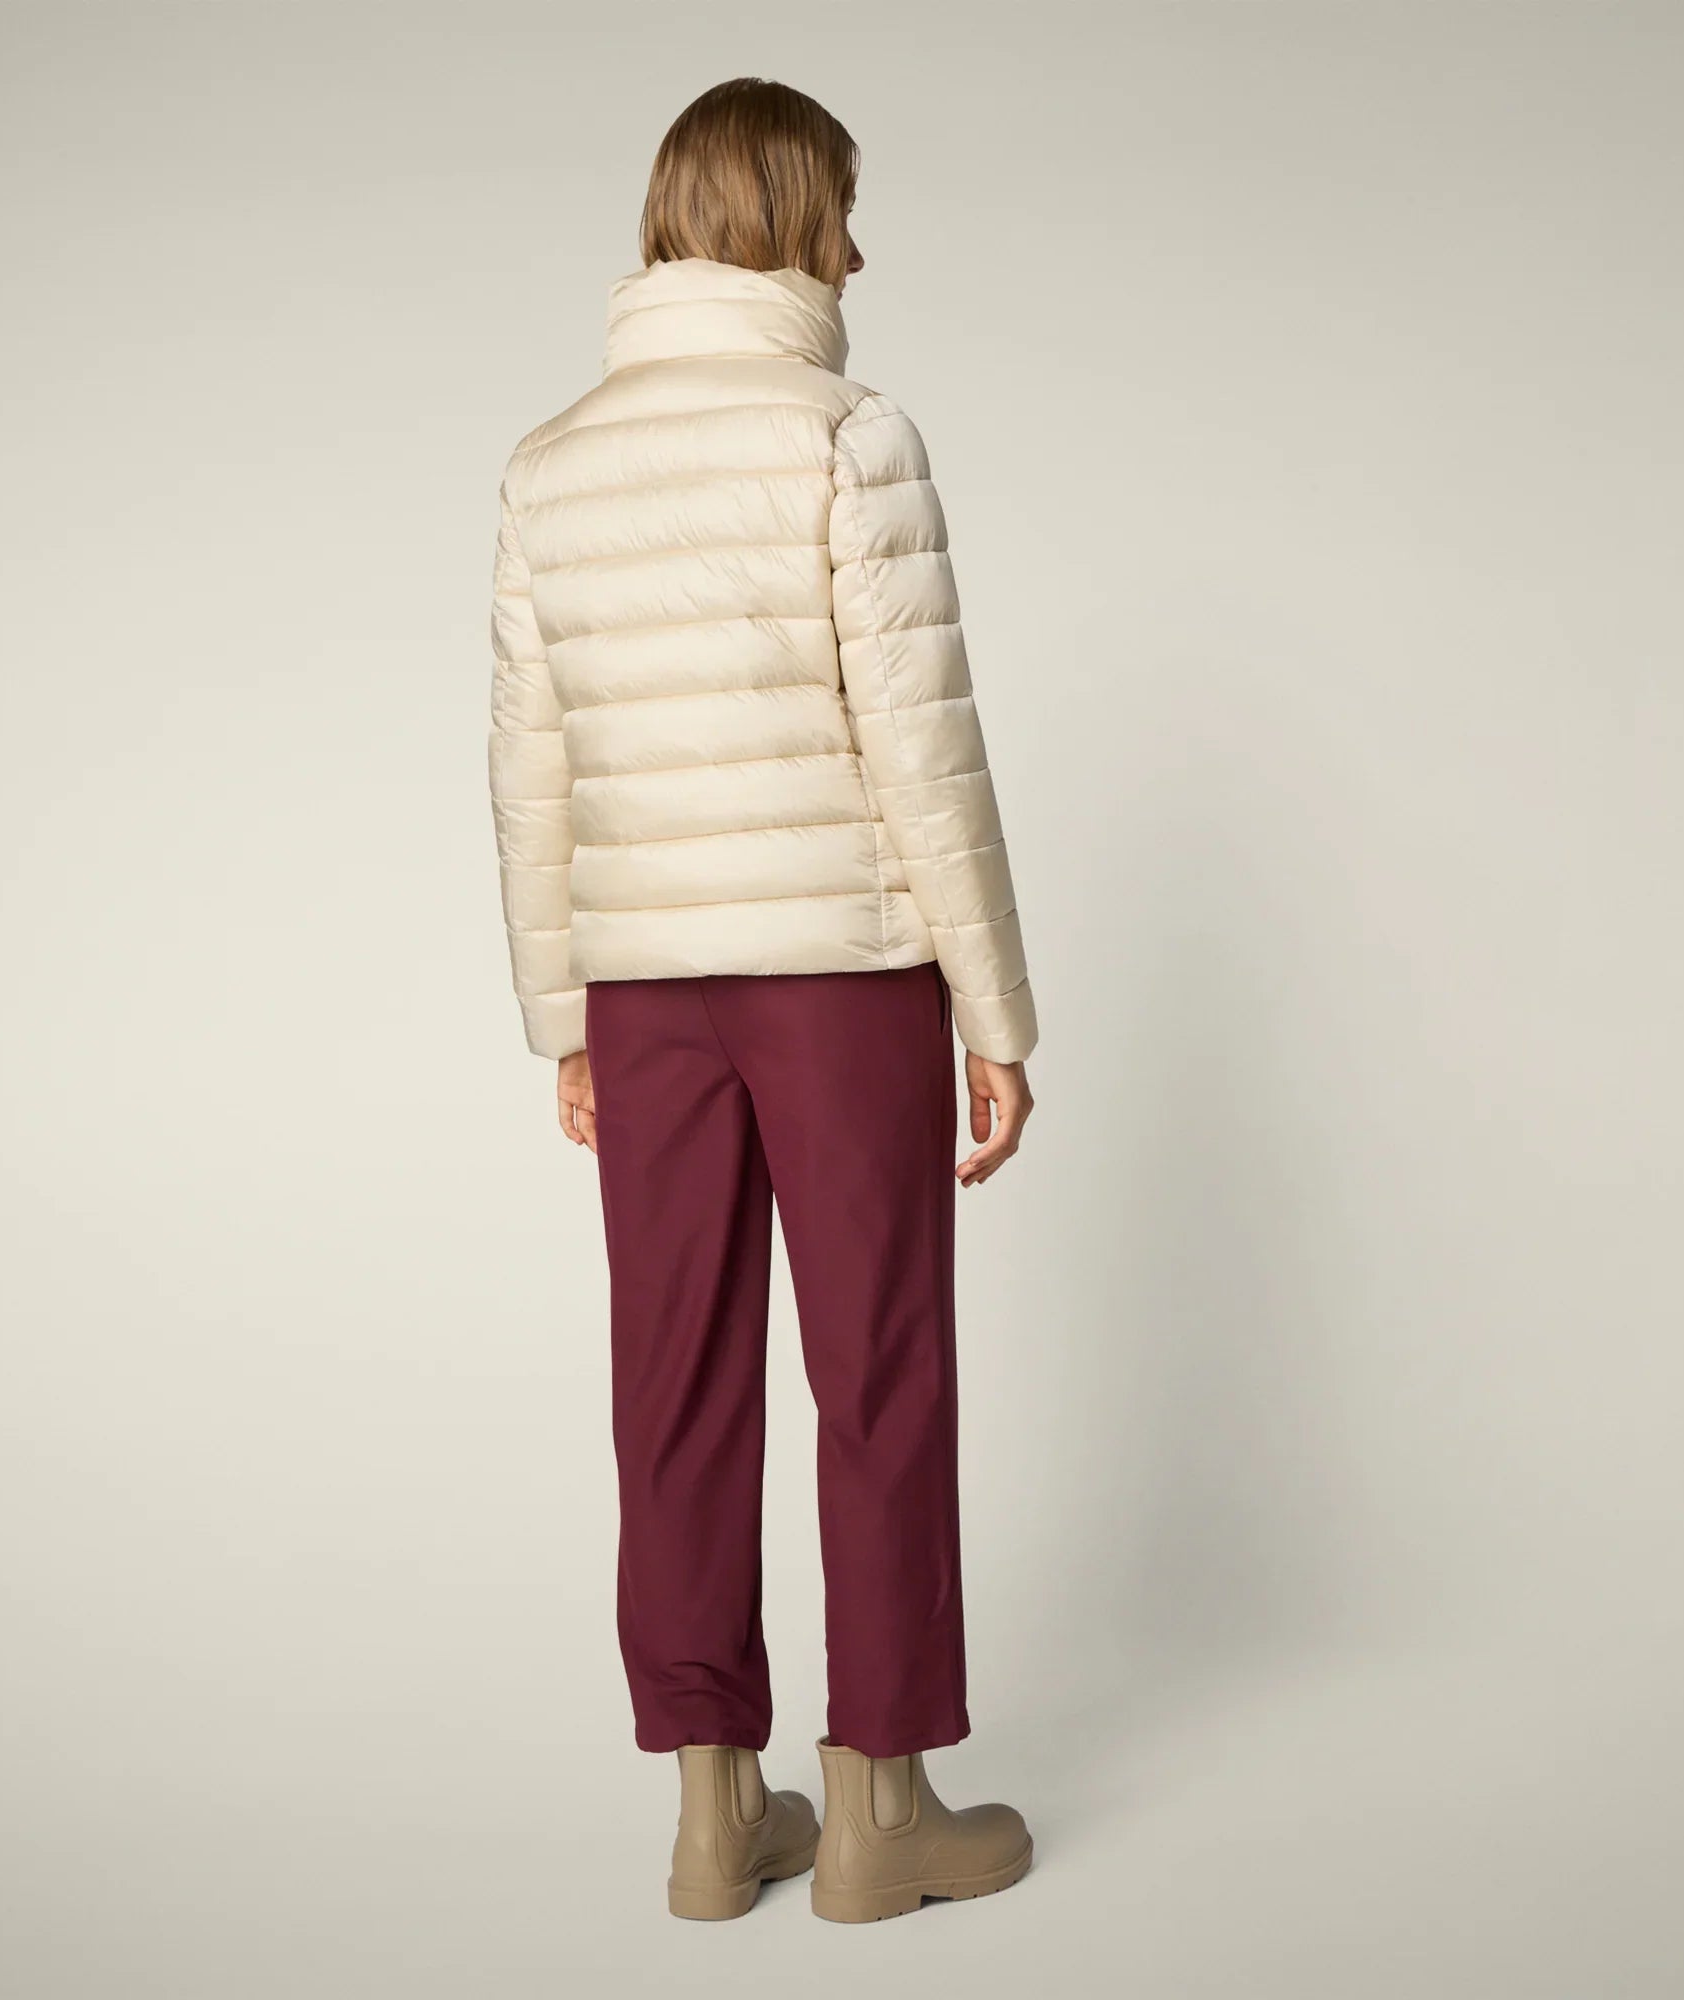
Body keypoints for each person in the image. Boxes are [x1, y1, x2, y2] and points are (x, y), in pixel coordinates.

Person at [486, 77, 1038, 1924]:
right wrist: (996, 1010)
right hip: (837, 973)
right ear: (796, 218)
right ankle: (879, 1813)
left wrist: (565, 1017)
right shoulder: (849, 435)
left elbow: (533, 765)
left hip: (646, 989)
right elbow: (923, 746)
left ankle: (713, 1822)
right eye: (843, 214)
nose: (858, 256)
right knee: (875, 1368)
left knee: (674, 1380)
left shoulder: (550, 462)